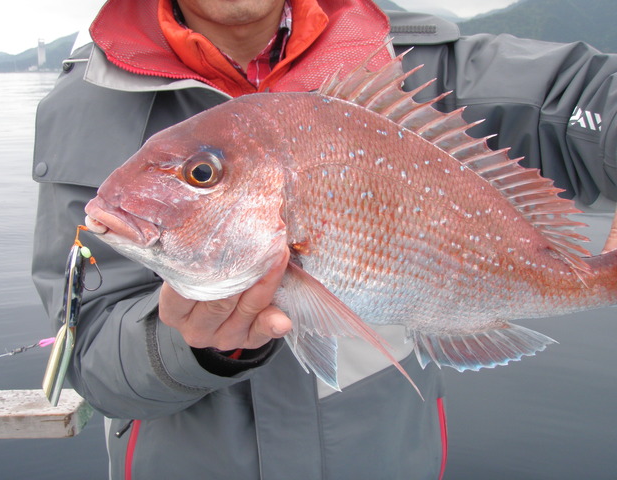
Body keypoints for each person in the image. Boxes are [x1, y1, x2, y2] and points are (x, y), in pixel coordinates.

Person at [31, 0, 617, 478]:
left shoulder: (423, 66)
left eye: (201, 175)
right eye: (201, 174)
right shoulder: (81, 107)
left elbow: (592, 92)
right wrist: (195, 348)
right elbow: (88, 357)